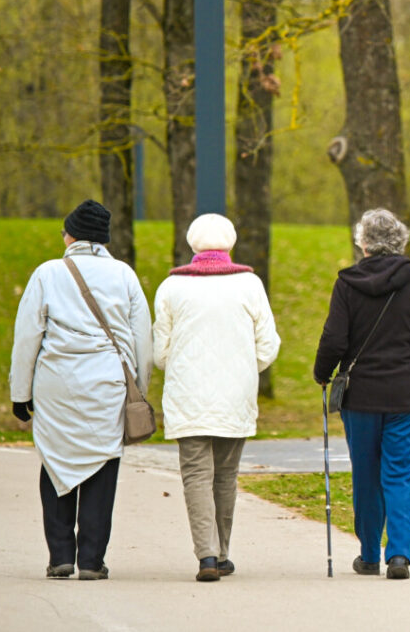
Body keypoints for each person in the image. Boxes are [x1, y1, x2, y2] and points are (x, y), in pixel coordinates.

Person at [10, 199, 151, 581]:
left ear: (71, 235)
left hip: (57, 383)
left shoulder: (47, 273)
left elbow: (27, 337)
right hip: (107, 383)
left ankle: (60, 556)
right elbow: (142, 339)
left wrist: (20, 394)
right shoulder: (124, 275)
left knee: (56, 460)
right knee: (102, 464)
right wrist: (139, 390)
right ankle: (91, 559)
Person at [313, 208, 410, 580]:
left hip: (361, 396)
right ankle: (399, 554)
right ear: (400, 241)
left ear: (364, 243)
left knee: (366, 474)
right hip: (405, 395)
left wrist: (322, 373)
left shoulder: (347, 284)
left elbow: (334, 339)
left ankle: (370, 554)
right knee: (401, 475)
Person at [153, 213, 281, 582]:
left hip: (187, 394)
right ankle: (222, 554)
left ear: (192, 243)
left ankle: (206, 556)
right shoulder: (249, 284)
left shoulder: (172, 287)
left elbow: (160, 351)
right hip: (235, 394)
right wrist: (244, 368)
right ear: (230, 243)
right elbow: (268, 344)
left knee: (196, 474)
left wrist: (180, 367)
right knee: (226, 475)